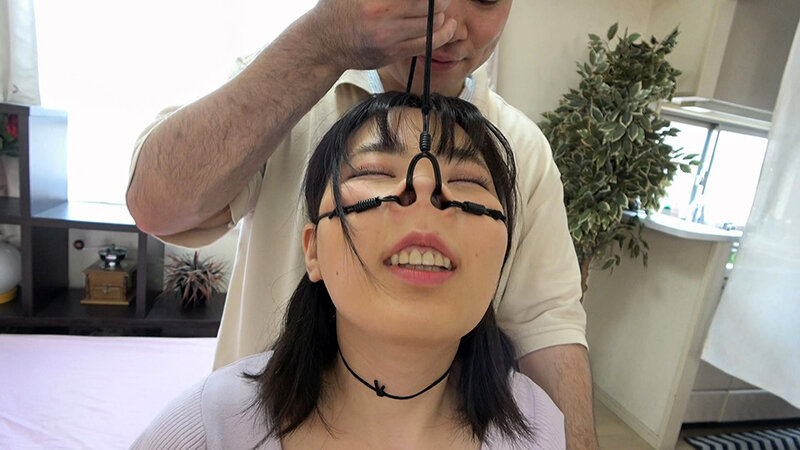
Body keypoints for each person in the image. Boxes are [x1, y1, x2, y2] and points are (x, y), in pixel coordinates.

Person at [126, 1, 597, 448]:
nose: (447, 26)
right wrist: (323, 39)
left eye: (467, 183)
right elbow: (156, 204)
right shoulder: (208, 427)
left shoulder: (523, 151)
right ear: (312, 244)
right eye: (375, 173)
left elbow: (548, 323)